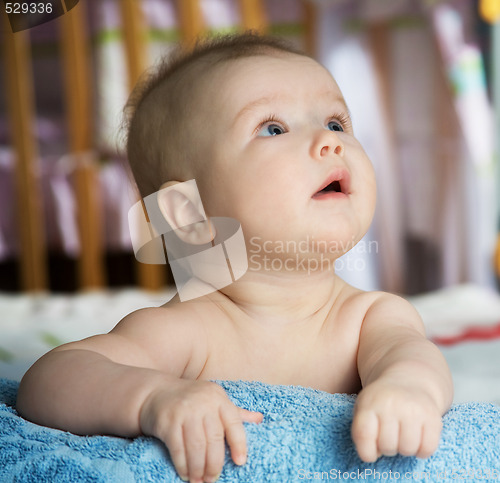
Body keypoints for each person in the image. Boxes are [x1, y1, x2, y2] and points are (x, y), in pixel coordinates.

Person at [17, 33, 453, 483]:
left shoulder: (370, 318)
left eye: (337, 123)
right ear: (187, 214)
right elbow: (50, 380)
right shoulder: (191, 329)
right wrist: (152, 398)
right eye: (274, 128)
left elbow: (413, 358)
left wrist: (406, 389)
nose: (329, 140)